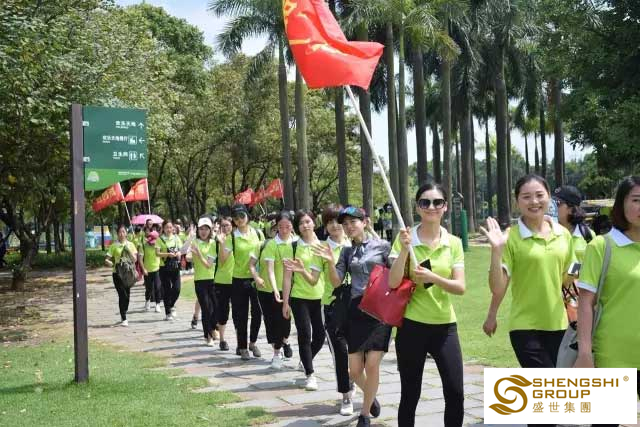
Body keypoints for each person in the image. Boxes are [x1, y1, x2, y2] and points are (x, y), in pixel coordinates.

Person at [480, 174, 574, 427]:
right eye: (526, 197)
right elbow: (498, 286)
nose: (534, 201)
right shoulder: (510, 238)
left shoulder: (563, 235)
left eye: (539, 195)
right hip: (525, 328)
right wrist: (496, 251)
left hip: (558, 325)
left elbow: (566, 279)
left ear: (549, 198)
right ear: (517, 202)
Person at [389, 183, 466, 427]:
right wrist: (404, 250)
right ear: (417, 207)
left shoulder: (453, 242)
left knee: (455, 392)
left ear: (445, 207)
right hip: (412, 325)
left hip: (445, 326)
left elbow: (460, 287)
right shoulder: (405, 238)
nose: (431, 207)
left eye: (437, 202)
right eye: (425, 202)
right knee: (410, 393)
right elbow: (392, 282)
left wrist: (433, 278)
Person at [315, 206, 391, 427]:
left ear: (365, 222)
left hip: (379, 310)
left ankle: (364, 415)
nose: (348, 227)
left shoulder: (383, 246)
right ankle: (370, 395)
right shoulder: (346, 252)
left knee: (372, 364)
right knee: (355, 371)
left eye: (353, 222)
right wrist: (330, 262)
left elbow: (396, 275)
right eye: (345, 224)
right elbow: (336, 282)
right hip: (356, 311)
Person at [575, 176, 640, 427]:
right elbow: (585, 304)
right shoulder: (602, 246)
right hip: (612, 357)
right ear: (621, 204)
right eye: (636, 200)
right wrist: (584, 354)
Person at [282, 209, 325, 391]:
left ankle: (306, 358)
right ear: (297, 227)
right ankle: (310, 374)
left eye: (308, 221)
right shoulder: (293, 247)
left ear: (314, 222)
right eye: (301, 223)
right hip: (299, 298)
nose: (305, 225)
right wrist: (285, 302)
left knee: (321, 336)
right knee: (304, 334)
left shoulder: (323, 245)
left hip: (321, 297)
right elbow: (287, 278)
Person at [320, 204, 355, 416]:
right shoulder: (322, 248)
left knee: (359, 352)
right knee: (340, 353)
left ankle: (360, 382)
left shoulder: (355, 243)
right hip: (332, 306)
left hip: (357, 305)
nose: (335, 225)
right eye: (329, 222)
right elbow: (314, 277)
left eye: (338, 221)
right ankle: (346, 395)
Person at [218, 204, 263, 360]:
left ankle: (252, 342)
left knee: (257, 313)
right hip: (238, 280)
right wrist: (222, 243)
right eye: (236, 218)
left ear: (247, 216)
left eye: (242, 216)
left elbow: (263, 252)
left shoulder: (258, 233)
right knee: (241, 315)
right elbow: (223, 260)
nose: (239, 220)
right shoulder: (232, 237)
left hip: (256, 278)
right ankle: (242, 347)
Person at [252, 211, 296, 370]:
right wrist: (275, 288)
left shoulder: (296, 243)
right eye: (280, 227)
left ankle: (285, 340)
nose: (284, 230)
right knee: (273, 321)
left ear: (292, 226)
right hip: (270, 289)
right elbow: (270, 269)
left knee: (285, 322)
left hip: (291, 289)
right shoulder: (271, 244)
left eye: (287, 226)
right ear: (276, 227)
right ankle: (277, 353)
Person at [183, 218, 218, 346]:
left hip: (214, 279)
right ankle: (208, 336)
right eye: (201, 229)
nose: (203, 231)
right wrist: (191, 251)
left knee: (216, 308)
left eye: (206, 229)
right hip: (200, 280)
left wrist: (198, 255)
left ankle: (213, 328)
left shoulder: (214, 243)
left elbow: (211, 263)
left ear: (210, 230)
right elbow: (186, 254)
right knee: (206, 308)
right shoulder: (195, 242)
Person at [105, 224, 138, 326]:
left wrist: (128, 250)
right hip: (117, 273)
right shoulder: (114, 245)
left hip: (128, 274)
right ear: (117, 234)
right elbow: (107, 259)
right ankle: (124, 318)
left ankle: (124, 311)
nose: (121, 234)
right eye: (120, 232)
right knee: (122, 294)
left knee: (127, 296)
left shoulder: (131, 245)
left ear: (126, 233)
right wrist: (109, 263)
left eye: (123, 232)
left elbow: (135, 259)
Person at [554, 185, 595, 262]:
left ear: (571, 209)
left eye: (557, 203)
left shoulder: (588, 234)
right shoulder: (548, 233)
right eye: (552, 202)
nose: (553, 206)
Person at [156, 220, 183, 321]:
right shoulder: (160, 239)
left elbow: (181, 249)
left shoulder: (176, 238)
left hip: (175, 266)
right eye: (166, 227)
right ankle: (168, 313)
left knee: (177, 289)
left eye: (170, 227)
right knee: (167, 290)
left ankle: (171, 305)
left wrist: (179, 253)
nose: (169, 229)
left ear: (173, 228)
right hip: (164, 267)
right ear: (163, 228)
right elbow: (157, 253)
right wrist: (168, 254)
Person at [214, 216, 234, 351]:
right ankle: (222, 339)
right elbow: (221, 260)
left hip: (236, 279)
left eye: (228, 225)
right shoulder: (217, 241)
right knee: (223, 311)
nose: (226, 228)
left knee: (238, 312)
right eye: (223, 226)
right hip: (222, 280)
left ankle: (241, 343)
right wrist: (221, 243)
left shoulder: (236, 239)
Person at [140, 230, 162, 313]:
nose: (153, 243)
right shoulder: (144, 245)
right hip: (147, 270)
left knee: (157, 287)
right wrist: (143, 269)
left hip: (157, 269)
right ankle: (147, 301)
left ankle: (157, 304)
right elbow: (140, 259)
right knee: (149, 288)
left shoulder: (159, 245)